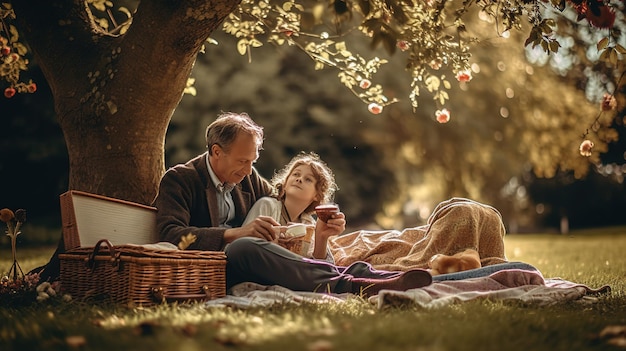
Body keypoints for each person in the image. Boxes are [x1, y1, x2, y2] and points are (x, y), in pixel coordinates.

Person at [154, 112, 432, 297]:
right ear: (216, 152)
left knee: (250, 246)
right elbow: (171, 235)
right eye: (243, 161)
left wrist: (322, 226)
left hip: (257, 261)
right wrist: (234, 233)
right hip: (214, 269)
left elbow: (285, 202)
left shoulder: (246, 179)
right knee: (243, 246)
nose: (250, 170)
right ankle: (350, 282)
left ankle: (368, 278)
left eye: (253, 161)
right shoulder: (180, 180)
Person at [241, 151, 338, 262]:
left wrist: (322, 237)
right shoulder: (267, 206)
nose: (299, 179)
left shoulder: (310, 224)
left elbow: (326, 266)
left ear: (317, 195)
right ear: (285, 183)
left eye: (308, 179)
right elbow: (242, 246)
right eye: (296, 174)